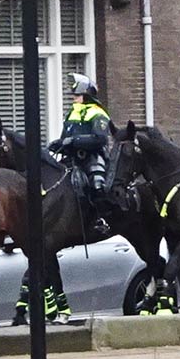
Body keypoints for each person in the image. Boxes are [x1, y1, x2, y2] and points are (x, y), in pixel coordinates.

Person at [50, 74, 113, 238]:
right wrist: (58, 144)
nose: (74, 98)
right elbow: (66, 137)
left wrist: (74, 141)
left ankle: (101, 219)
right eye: (74, 95)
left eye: (77, 95)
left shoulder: (97, 113)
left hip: (92, 158)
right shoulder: (72, 113)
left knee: (96, 184)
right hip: (72, 159)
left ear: (87, 96)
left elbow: (100, 139)